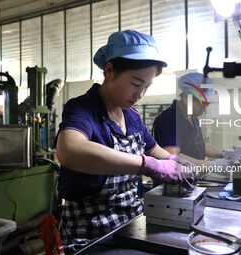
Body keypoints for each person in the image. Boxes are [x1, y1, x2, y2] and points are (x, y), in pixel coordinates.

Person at [55, 30, 193, 251]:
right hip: (89, 232)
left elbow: (154, 148)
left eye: (147, 87)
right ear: (109, 71)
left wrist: (176, 162)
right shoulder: (83, 108)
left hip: (130, 223)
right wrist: (147, 165)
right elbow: (69, 150)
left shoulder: (132, 116)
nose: (140, 94)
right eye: (136, 83)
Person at [153, 72, 222, 167]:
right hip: (176, 179)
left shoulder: (192, 117)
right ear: (186, 98)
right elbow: (172, 155)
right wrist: (209, 165)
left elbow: (199, 145)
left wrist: (224, 154)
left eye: (207, 104)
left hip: (192, 177)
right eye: (202, 104)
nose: (205, 110)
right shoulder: (169, 119)